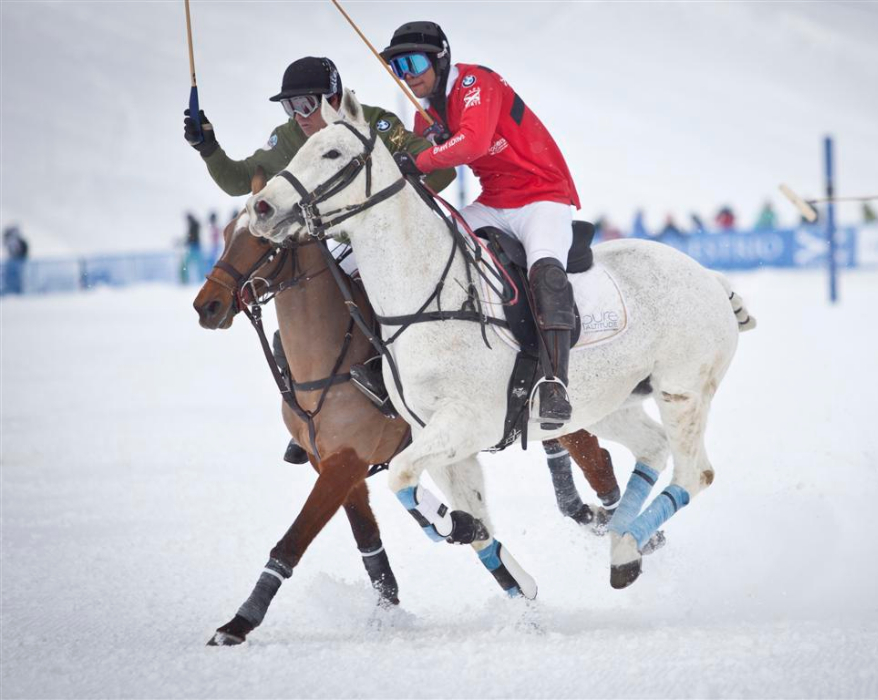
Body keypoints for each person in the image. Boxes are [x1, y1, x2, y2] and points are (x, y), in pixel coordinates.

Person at [183, 56, 456, 460]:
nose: (298, 117)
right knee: (299, 314)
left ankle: (405, 390)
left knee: (385, 303)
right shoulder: (290, 139)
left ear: (331, 98)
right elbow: (240, 180)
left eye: (305, 106)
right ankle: (307, 414)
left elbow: (440, 172)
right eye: (289, 108)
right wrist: (208, 149)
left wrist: (405, 174)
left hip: (385, 240)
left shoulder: (375, 124)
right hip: (333, 245)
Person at [380, 21, 580, 427]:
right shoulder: (425, 114)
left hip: (544, 195)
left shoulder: (476, 81)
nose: (409, 75)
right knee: (435, 247)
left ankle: (556, 383)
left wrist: (420, 158)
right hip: (494, 202)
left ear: (440, 59)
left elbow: (471, 143)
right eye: (399, 67)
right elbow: (438, 175)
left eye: (415, 62)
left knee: (546, 274)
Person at [3, 225, 29, 295]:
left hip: (18, 263)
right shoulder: (10, 241)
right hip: (13, 263)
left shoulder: (19, 242)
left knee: (18, 278)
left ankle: (17, 290)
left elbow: (24, 250)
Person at [182, 212, 204, 285]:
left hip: (194, 246)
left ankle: (186, 280)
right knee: (199, 264)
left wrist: (187, 241)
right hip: (196, 246)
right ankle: (201, 279)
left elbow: (192, 236)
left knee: (187, 264)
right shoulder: (195, 224)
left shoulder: (193, 225)